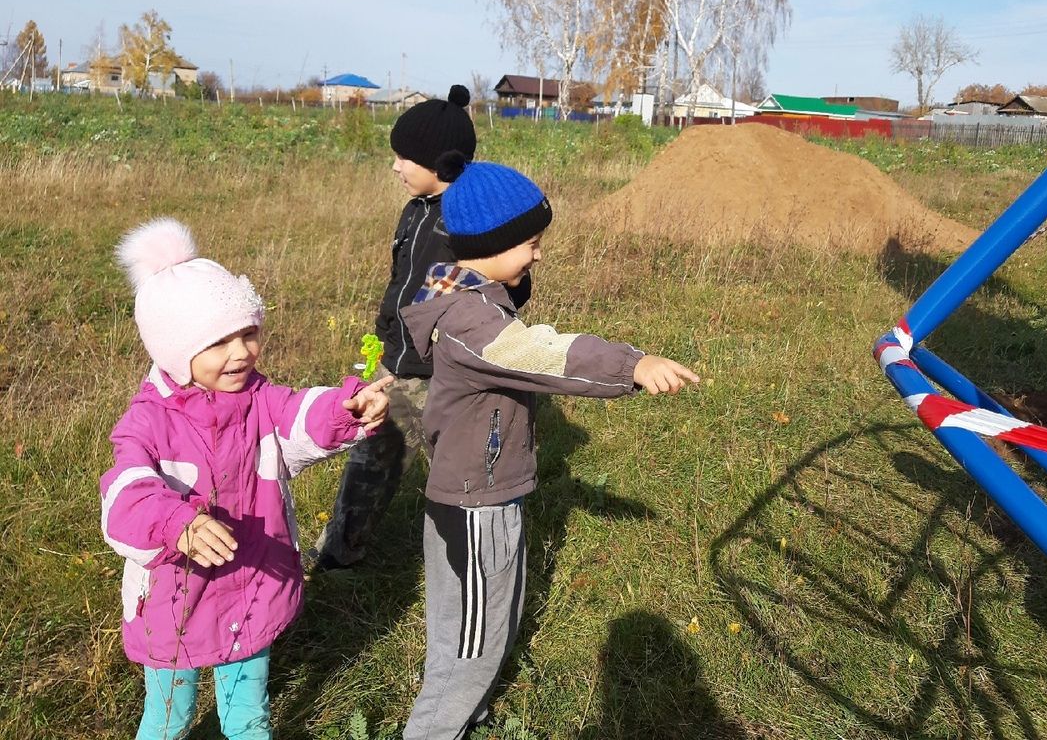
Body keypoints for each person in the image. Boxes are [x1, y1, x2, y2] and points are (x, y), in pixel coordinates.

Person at [397, 161, 699, 740]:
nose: (537, 256)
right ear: (491, 245)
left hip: (466, 494)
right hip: (478, 504)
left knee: (460, 626)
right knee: (476, 644)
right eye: (531, 244)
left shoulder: (460, 294)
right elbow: (543, 352)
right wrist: (632, 364)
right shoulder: (473, 323)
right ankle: (438, 727)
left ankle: (463, 713)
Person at [100, 217, 392, 740]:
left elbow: (302, 413)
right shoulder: (148, 420)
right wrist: (174, 521)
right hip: (175, 599)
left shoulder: (259, 397)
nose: (241, 352)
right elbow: (123, 493)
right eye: (218, 342)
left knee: (249, 717)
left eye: (248, 333)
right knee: (168, 719)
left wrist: (344, 409)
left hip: (250, 589)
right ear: (174, 350)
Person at [309, 84, 528, 571]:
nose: (395, 166)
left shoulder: (470, 220)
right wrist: (384, 338)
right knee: (372, 458)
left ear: (441, 164)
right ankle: (337, 556)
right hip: (397, 364)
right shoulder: (415, 211)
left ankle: (467, 563)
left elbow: (509, 284)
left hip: (449, 374)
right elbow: (400, 282)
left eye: (405, 157)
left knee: (458, 474)